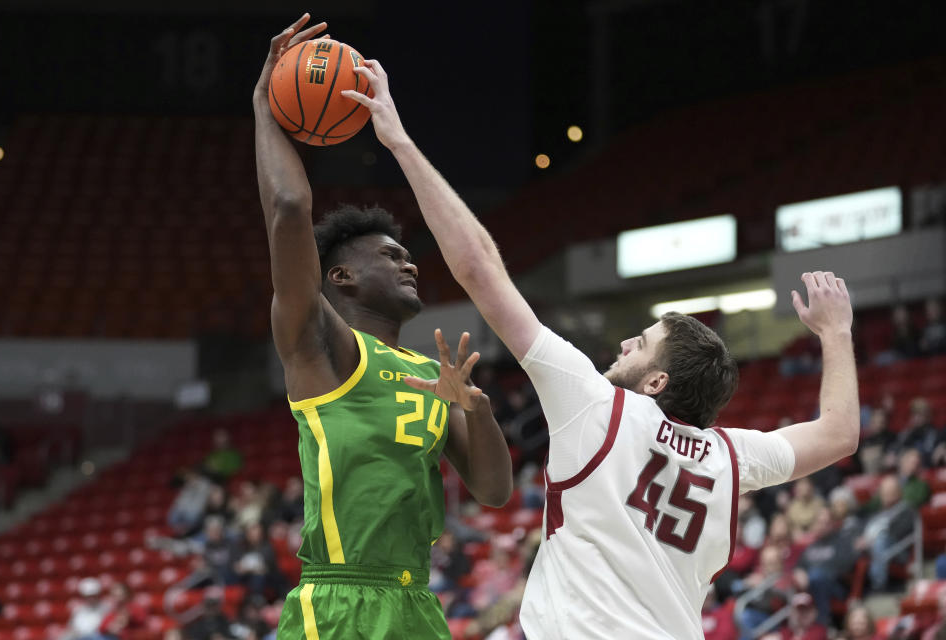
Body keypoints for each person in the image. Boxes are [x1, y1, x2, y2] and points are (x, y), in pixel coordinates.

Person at [343, 48, 860, 639]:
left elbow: (480, 267)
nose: (623, 344)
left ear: (657, 381)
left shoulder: (595, 403)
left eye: (640, 344)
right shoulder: (730, 456)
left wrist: (400, 141)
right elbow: (840, 434)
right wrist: (836, 333)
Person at [252, 13, 513, 639]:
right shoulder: (323, 348)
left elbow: (494, 490)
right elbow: (289, 208)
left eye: (406, 253)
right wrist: (265, 104)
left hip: (418, 605)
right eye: (388, 255)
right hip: (339, 605)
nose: (408, 262)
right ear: (340, 278)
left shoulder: (432, 376)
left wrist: (474, 408)